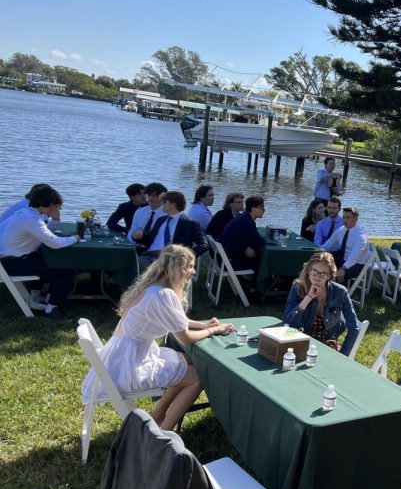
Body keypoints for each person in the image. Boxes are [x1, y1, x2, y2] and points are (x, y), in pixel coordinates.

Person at [80, 245, 234, 430]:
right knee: (196, 378)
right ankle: (163, 433)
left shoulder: (152, 288)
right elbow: (185, 338)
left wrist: (204, 325)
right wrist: (212, 331)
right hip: (129, 364)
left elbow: (179, 321)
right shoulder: (163, 294)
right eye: (189, 267)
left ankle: (157, 415)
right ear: (176, 269)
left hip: (121, 356)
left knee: (186, 361)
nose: (193, 272)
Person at [0, 184, 79, 321]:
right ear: (48, 205)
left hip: (13, 257)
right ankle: (51, 309)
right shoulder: (32, 219)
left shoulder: (29, 213)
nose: (57, 208)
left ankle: (41, 297)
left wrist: (56, 219)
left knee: (50, 260)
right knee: (65, 271)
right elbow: (54, 243)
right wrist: (75, 238)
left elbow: (45, 233)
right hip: (11, 263)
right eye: (56, 205)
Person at [283, 251, 360, 356]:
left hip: (328, 345)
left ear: (330, 276)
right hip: (301, 342)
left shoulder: (340, 292)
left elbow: (354, 328)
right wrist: (308, 297)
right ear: (309, 271)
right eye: (315, 271)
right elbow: (288, 323)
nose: (318, 277)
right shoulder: (298, 288)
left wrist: (343, 356)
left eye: (323, 274)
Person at [137, 191, 208, 270]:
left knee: (139, 265)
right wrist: (140, 236)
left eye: (164, 202)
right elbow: (148, 240)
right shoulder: (160, 220)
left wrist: (185, 256)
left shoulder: (190, 224)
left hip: (171, 259)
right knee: (130, 261)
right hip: (150, 254)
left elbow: (204, 245)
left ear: (173, 204)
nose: (161, 204)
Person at [217, 195, 267, 275]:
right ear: (253, 209)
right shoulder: (248, 222)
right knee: (262, 261)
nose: (264, 210)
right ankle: (255, 285)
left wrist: (247, 246)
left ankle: (248, 283)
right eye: (261, 207)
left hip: (222, 259)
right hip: (229, 262)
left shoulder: (241, 218)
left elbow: (244, 238)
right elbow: (259, 242)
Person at [320, 206, 368, 283]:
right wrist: (315, 252)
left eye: (348, 218)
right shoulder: (341, 230)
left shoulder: (361, 236)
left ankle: (335, 292)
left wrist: (343, 268)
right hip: (342, 260)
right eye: (344, 217)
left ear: (356, 219)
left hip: (356, 265)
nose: (344, 220)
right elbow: (327, 246)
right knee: (318, 266)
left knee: (330, 276)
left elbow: (354, 256)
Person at [127, 182, 168, 250]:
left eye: (155, 195)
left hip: (157, 251)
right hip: (137, 247)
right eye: (149, 195)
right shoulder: (139, 212)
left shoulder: (167, 214)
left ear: (163, 197)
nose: (151, 198)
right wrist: (133, 241)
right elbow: (131, 232)